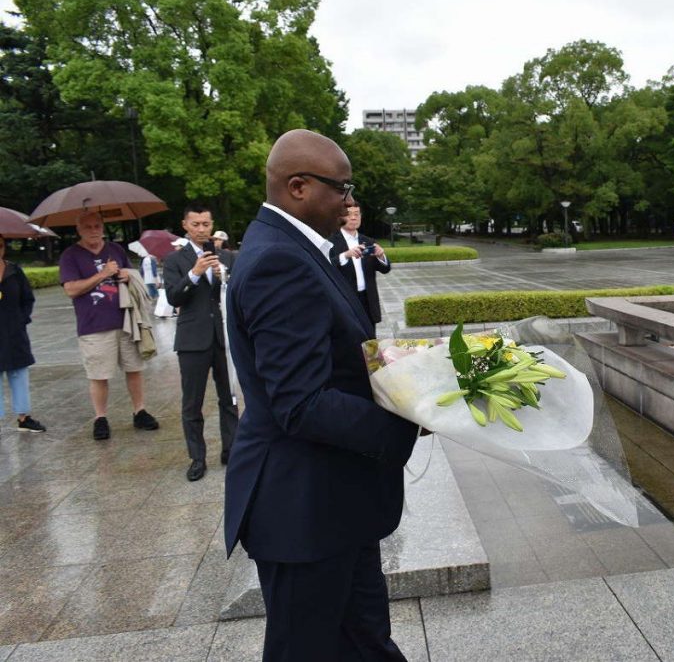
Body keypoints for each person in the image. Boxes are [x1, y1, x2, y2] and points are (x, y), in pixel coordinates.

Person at [224, 129, 418, 661]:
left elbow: (331, 355)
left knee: (365, 641)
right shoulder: (277, 262)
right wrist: (410, 417)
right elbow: (300, 402)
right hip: (302, 509)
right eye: (343, 188)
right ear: (299, 187)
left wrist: (404, 372)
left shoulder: (297, 248)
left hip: (333, 499)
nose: (351, 202)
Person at [59, 212, 159, 440]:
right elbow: (71, 289)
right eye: (88, 227)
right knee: (98, 374)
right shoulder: (70, 256)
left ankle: (139, 410)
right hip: (93, 325)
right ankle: (100, 417)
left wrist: (126, 275)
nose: (94, 230)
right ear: (79, 230)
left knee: (134, 368)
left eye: (97, 226)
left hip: (125, 320)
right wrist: (102, 274)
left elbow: (129, 275)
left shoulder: (115, 250)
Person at [161, 207, 238, 482]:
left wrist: (225, 278)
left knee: (228, 397)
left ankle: (232, 449)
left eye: (206, 223)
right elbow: (172, 298)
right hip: (193, 338)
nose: (202, 229)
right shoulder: (174, 260)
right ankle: (197, 457)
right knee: (191, 402)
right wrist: (194, 274)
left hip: (223, 336)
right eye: (196, 224)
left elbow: (240, 293)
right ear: (185, 226)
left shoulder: (226, 256)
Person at [0, 236, 45, 433]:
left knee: (19, 373)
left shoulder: (14, 270)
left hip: (14, 330)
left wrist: (22, 319)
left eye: (0, 245)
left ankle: (24, 417)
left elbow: (28, 298)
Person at [330, 201, 391, 325]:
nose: (353, 217)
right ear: (340, 217)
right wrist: (346, 255)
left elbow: (385, 269)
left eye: (357, 214)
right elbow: (327, 266)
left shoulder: (368, 241)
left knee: (370, 340)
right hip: (345, 299)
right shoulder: (331, 242)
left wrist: (381, 255)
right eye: (349, 214)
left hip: (367, 299)